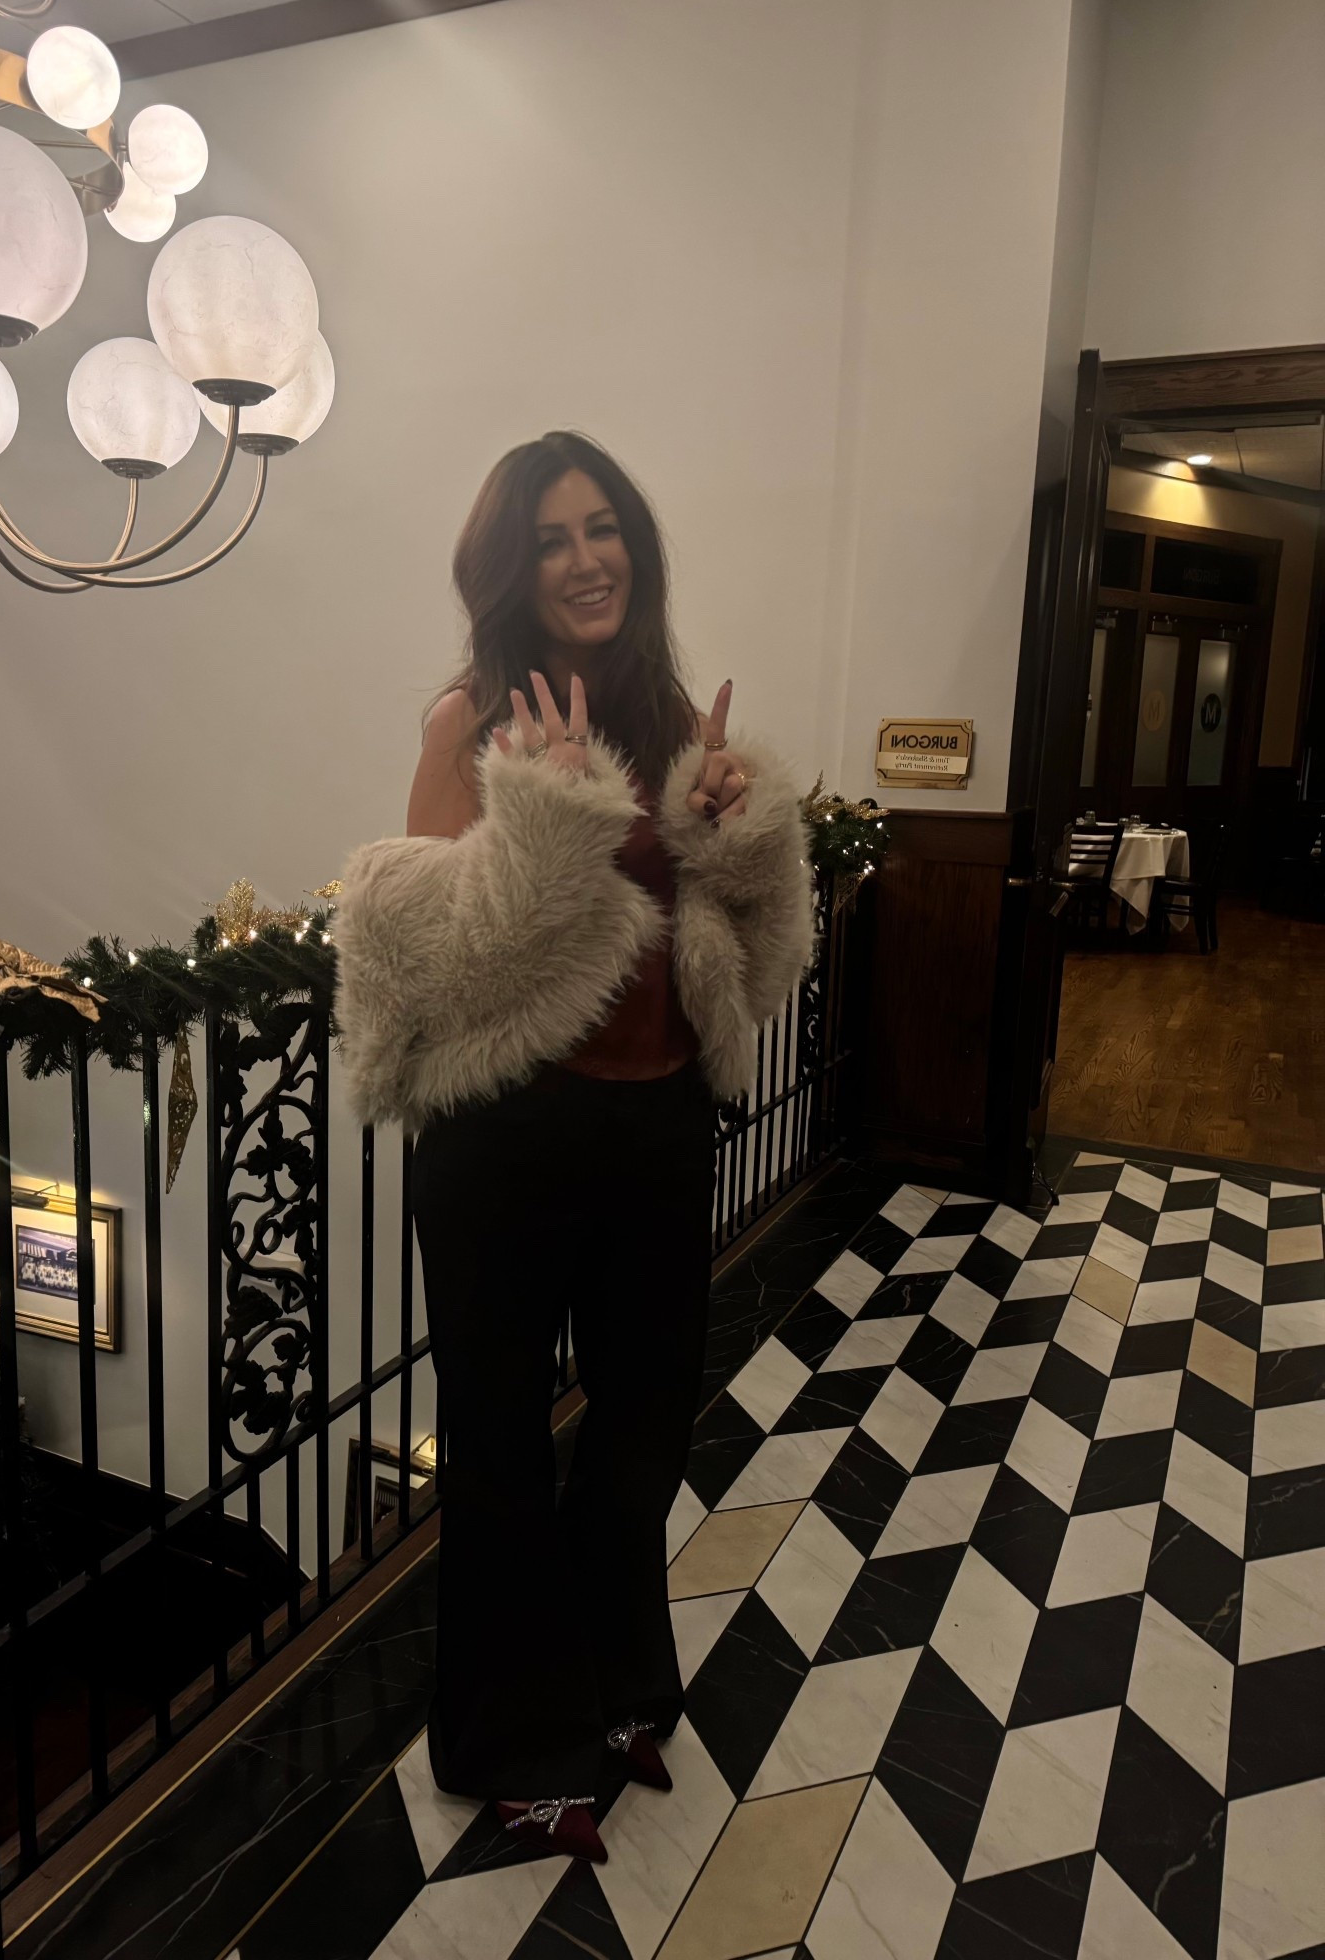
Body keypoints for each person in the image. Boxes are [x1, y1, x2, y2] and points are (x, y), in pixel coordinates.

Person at [334, 431, 810, 1864]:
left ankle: (613, 1688)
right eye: (552, 538)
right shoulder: (468, 720)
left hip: (657, 1120)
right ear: (510, 567)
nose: (587, 559)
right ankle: (505, 1742)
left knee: (643, 1430)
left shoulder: (665, 714)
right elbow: (426, 957)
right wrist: (537, 815)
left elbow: (734, 944)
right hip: (508, 1137)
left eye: (604, 528)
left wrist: (732, 832)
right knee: (498, 1452)